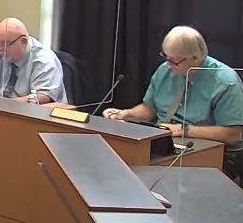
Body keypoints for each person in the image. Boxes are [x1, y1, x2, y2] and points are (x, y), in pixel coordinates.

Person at [103, 26, 243, 144]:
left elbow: (233, 133)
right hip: (163, 139)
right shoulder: (165, 69)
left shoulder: (225, 81)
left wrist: (183, 130)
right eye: (166, 57)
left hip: (205, 146)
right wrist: (126, 114)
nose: (169, 65)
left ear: (195, 57)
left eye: (174, 61)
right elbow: (150, 109)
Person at [0, 17, 67, 104]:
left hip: (29, 117)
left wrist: (2, 105)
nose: (0, 49)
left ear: (23, 41)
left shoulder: (44, 60)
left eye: (6, 44)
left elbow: (43, 97)